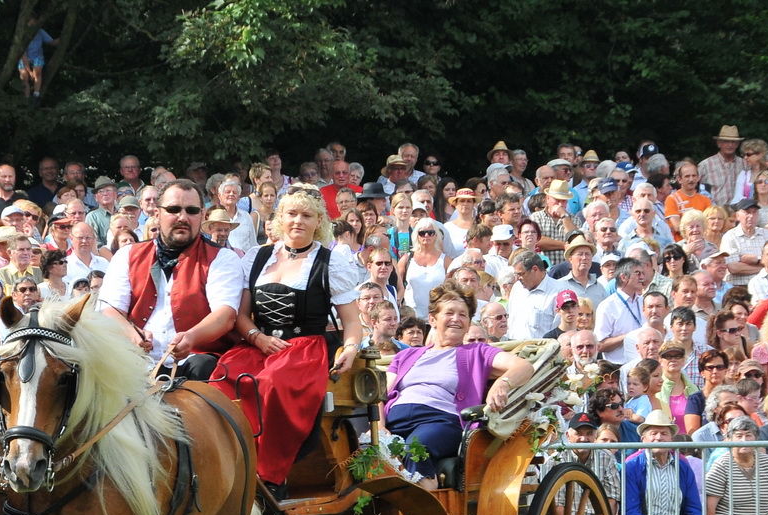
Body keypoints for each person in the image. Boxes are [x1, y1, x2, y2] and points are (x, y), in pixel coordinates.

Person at [212, 185, 366, 493]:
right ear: (280, 217)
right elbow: (241, 316)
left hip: (304, 350)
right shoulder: (258, 257)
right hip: (260, 345)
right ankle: (222, 462)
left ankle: (270, 475)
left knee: (271, 384)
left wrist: (350, 348)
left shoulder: (330, 262)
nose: (298, 221)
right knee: (221, 378)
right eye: (291, 214)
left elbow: (351, 321)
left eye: (306, 215)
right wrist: (256, 338)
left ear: (319, 221)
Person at [380, 285, 532, 488]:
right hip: (395, 421)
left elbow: (524, 366)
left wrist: (502, 383)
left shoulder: (477, 352)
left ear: (469, 323)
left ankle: (425, 513)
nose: (456, 318)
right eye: (449, 313)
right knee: (365, 454)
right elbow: (380, 396)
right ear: (432, 320)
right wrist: (379, 427)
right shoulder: (406, 355)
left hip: (441, 420)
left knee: (416, 450)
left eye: (463, 315)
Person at [97, 180, 244, 379]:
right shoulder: (126, 255)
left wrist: (192, 337)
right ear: (157, 214)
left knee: (203, 367)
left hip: (196, 361)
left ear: (202, 216)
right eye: (174, 209)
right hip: (136, 362)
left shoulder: (222, 258)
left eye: (191, 211)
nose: (182, 217)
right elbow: (110, 311)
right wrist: (132, 334)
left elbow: (225, 316)